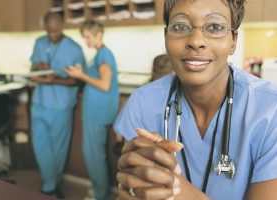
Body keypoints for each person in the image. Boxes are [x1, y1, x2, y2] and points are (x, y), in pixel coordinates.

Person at [114, 0, 277, 199]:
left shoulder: (270, 109)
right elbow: (131, 190)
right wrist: (135, 186)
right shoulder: (143, 102)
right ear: (166, 37)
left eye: (215, 27)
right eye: (181, 26)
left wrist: (177, 190)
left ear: (233, 40)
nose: (196, 40)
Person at [29, 12, 86, 198]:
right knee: (40, 145)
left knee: (58, 148)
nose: (51, 35)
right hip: (39, 102)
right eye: (48, 31)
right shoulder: (39, 42)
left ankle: (50, 185)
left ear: (61, 26)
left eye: (54, 31)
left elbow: (78, 81)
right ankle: (50, 182)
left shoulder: (74, 48)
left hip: (61, 105)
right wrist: (38, 67)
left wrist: (54, 80)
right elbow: (32, 69)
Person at [64, 19, 119, 200]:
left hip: (97, 114)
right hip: (97, 112)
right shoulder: (100, 55)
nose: (86, 42)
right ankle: (99, 191)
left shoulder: (104, 55)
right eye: (84, 38)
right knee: (96, 155)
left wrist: (80, 75)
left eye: (88, 37)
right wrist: (82, 71)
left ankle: (100, 195)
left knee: (93, 157)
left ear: (99, 35)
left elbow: (104, 85)